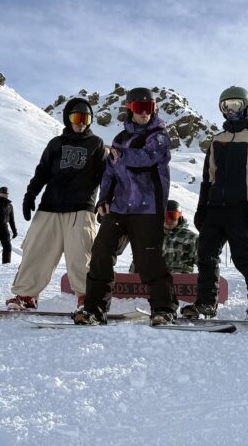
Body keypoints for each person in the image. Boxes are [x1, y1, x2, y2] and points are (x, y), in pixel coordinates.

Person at [73, 87, 178, 326]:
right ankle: (94, 310)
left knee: (148, 261)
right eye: (140, 108)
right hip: (120, 208)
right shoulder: (120, 140)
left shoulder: (159, 135)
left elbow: (149, 158)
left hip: (148, 208)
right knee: (101, 254)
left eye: (149, 108)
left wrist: (122, 155)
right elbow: (109, 174)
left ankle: (164, 309)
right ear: (130, 109)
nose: (145, 113)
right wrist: (103, 201)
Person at [182, 86, 248, 321]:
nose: (230, 110)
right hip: (215, 209)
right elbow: (208, 177)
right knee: (205, 257)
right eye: (225, 106)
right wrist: (202, 208)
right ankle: (205, 304)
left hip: (240, 207)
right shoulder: (217, 140)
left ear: (246, 105)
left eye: (234, 105)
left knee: (244, 258)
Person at [7, 97, 106, 310]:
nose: (81, 122)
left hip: (81, 208)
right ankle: (26, 296)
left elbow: (105, 176)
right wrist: (30, 194)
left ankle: (86, 299)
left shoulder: (96, 144)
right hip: (50, 207)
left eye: (86, 118)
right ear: (67, 118)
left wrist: (104, 200)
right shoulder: (56, 144)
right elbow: (42, 171)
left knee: (81, 257)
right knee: (36, 252)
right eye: (76, 117)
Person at [129, 200, 199, 274]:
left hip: (180, 280)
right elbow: (138, 260)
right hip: (154, 279)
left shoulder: (191, 238)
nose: (169, 220)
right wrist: (131, 279)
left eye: (173, 216)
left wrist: (205, 281)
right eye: (166, 216)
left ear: (179, 216)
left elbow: (202, 261)